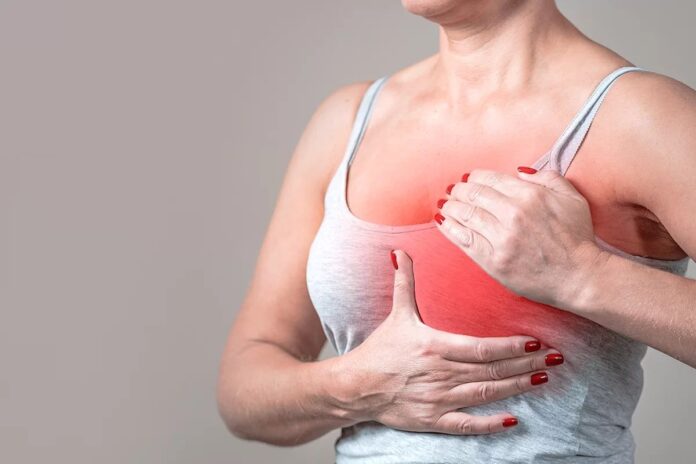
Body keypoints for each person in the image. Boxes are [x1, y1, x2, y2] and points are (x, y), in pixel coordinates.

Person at [217, 1, 696, 462]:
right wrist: (357, 387)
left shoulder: (644, 117)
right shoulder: (348, 121)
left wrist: (584, 274)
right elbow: (243, 392)